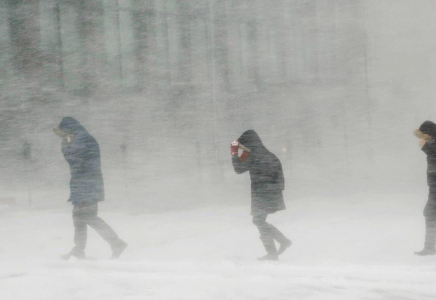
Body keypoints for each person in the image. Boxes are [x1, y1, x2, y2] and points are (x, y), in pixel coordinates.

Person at [54, 117, 127, 260]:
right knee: (78, 218)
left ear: (69, 128)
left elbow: (75, 160)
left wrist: (66, 144)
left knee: (88, 217)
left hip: (87, 184)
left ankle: (116, 243)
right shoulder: (81, 137)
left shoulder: (81, 139)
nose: (63, 135)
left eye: (64, 131)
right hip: (84, 184)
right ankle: (79, 249)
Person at [231, 130, 291, 260]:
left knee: (258, 220)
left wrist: (234, 153)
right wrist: (276, 192)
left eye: (244, 144)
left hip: (262, 194)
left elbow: (238, 169)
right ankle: (279, 245)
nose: (243, 147)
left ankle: (275, 250)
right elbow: (280, 178)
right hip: (271, 194)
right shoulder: (269, 154)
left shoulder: (252, 155)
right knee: (259, 220)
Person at [414, 121, 436, 256]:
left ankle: (430, 246)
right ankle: (430, 246)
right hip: (434, 189)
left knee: (430, 213)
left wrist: (426, 147)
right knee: (429, 214)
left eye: (423, 136)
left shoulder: (432, 146)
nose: (421, 139)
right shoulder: (431, 145)